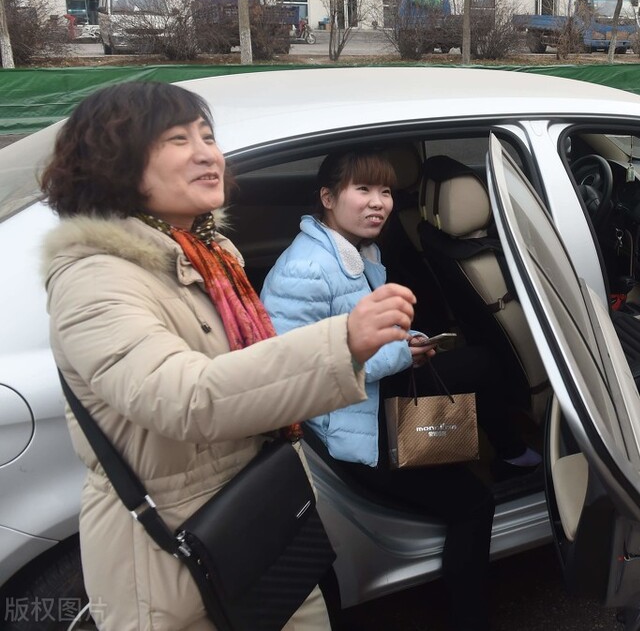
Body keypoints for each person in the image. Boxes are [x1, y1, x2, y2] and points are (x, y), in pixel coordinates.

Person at [40, 83, 416, 631]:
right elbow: (187, 399)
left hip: (256, 519)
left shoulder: (211, 254)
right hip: (175, 562)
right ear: (115, 162)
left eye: (208, 136)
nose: (206, 153)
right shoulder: (95, 278)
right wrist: (343, 343)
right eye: (177, 139)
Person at [259, 150, 539, 631]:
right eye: (362, 190)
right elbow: (294, 369)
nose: (379, 203)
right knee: (474, 505)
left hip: (368, 397)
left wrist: (409, 341)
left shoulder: (354, 250)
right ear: (327, 198)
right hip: (348, 435)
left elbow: (361, 332)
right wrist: (397, 355)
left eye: (386, 191)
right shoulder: (305, 269)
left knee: (480, 361)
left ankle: (511, 452)